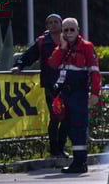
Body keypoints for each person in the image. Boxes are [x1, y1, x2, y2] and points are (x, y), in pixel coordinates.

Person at [47, 18, 101, 173]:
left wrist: (95, 93)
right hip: (66, 94)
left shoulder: (86, 47)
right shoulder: (62, 48)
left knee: (79, 127)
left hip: (79, 93)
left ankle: (80, 162)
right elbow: (53, 63)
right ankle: (77, 161)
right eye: (66, 30)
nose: (69, 33)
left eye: (72, 30)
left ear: (78, 31)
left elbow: (95, 71)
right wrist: (62, 47)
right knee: (70, 127)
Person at [11, 13, 68, 158]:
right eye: (50, 22)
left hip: (68, 84)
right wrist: (19, 66)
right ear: (47, 26)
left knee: (67, 117)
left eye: (56, 22)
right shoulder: (42, 41)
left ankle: (61, 148)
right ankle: (54, 150)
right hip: (50, 85)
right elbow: (28, 56)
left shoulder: (69, 38)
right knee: (55, 117)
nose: (53, 24)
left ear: (62, 24)